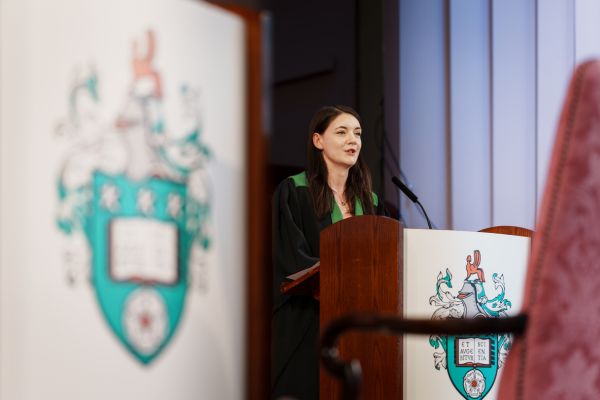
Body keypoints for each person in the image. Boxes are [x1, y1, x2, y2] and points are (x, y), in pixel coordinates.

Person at [271, 105, 387, 399]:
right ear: (318, 140)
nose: (353, 140)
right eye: (342, 132)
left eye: (358, 134)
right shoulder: (294, 191)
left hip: (360, 326)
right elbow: (292, 257)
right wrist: (340, 280)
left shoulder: (371, 202)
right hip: (309, 324)